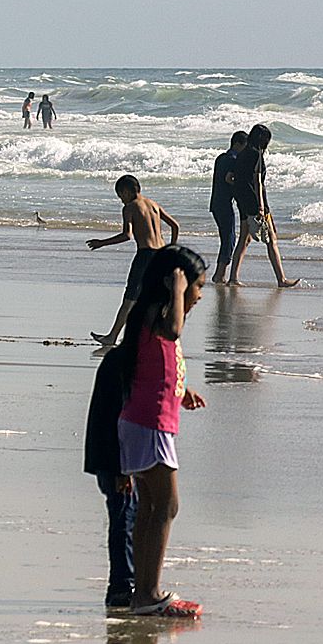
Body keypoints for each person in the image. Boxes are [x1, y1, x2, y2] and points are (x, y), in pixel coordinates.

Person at [116, 245, 207, 618]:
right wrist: (178, 289)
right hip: (150, 423)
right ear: (174, 282)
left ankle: (144, 593)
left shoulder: (150, 316)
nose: (199, 295)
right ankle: (149, 593)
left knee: (153, 507)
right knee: (166, 505)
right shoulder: (160, 314)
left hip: (150, 420)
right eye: (197, 286)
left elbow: (155, 365)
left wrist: (180, 391)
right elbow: (171, 333)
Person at [87, 175, 179, 347]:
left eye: (120, 195)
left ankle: (112, 337)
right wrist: (171, 249)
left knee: (130, 298)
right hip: (161, 255)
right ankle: (160, 337)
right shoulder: (153, 205)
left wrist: (102, 243)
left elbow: (126, 235)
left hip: (145, 256)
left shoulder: (130, 207)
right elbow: (175, 226)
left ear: (127, 191)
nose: (121, 200)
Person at [83, 342, 137, 608]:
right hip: (116, 460)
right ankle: (122, 587)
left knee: (129, 518)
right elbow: (113, 415)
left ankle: (129, 583)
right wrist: (120, 468)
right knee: (124, 519)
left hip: (119, 458)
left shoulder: (122, 359)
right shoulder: (124, 362)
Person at [227, 124, 300, 288]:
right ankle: (281, 279)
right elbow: (258, 181)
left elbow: (232, 178)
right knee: (272, 239)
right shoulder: (256, 154)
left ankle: (233, 277)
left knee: (243, 240)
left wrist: (242, 201)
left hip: (243, 203)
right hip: (256, 203)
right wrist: (261, 207)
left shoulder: (242, 154)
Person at [209, 131, 247, 284]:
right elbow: (229, 179)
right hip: (224, 204)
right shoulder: (233, 159)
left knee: (226, 237)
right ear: (237, 144)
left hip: (216, 202)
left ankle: (220, 273)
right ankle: (219, 274)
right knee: (229, 238)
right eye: (244, 146)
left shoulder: (220, 158)